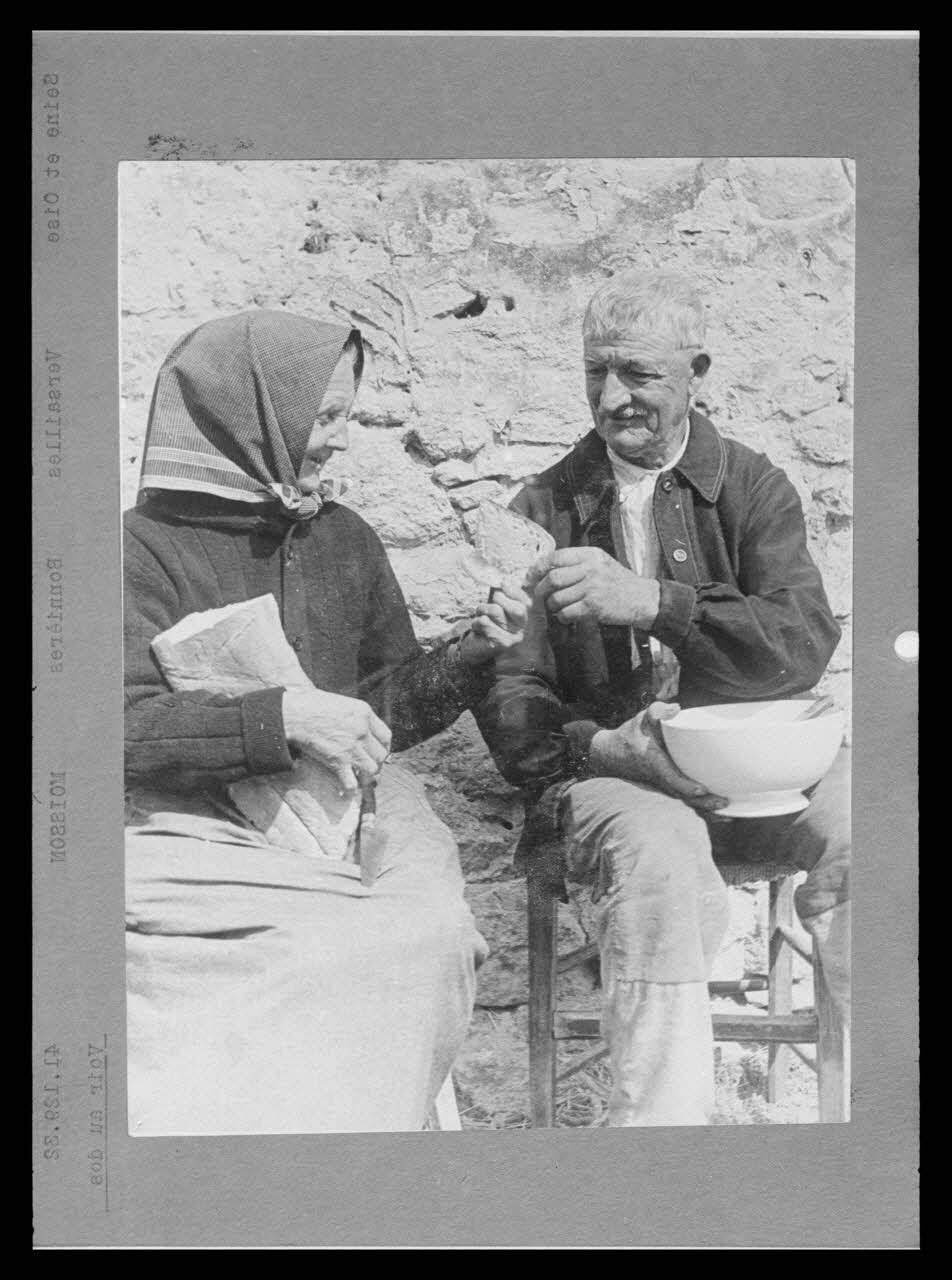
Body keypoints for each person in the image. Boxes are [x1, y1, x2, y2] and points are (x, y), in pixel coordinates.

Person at [123, 308, 528, 1134]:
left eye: (346, 414)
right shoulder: (139, 551)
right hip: (194, 832)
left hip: (342, 819)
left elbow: (379, 712)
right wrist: (282, 718)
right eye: (327, 417)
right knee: (309, 955)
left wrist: (471, 656)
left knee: (430, 935)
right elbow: (114, 731)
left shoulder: (346, 540)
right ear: (253, 416)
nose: (341, 440)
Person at [474, 270, 850, 1126]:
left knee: (879, 825)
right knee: (659, 849)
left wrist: (652, 603)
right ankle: (663, 1136)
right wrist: (601, 747)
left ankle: (881, 1122)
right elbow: (509, 696)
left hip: (758, 779)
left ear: (697, 373)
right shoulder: (542, 504)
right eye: (595, 374)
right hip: (622, 782)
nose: (613, 399)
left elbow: (802, 646)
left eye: (639, 374)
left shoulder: (754, 488)